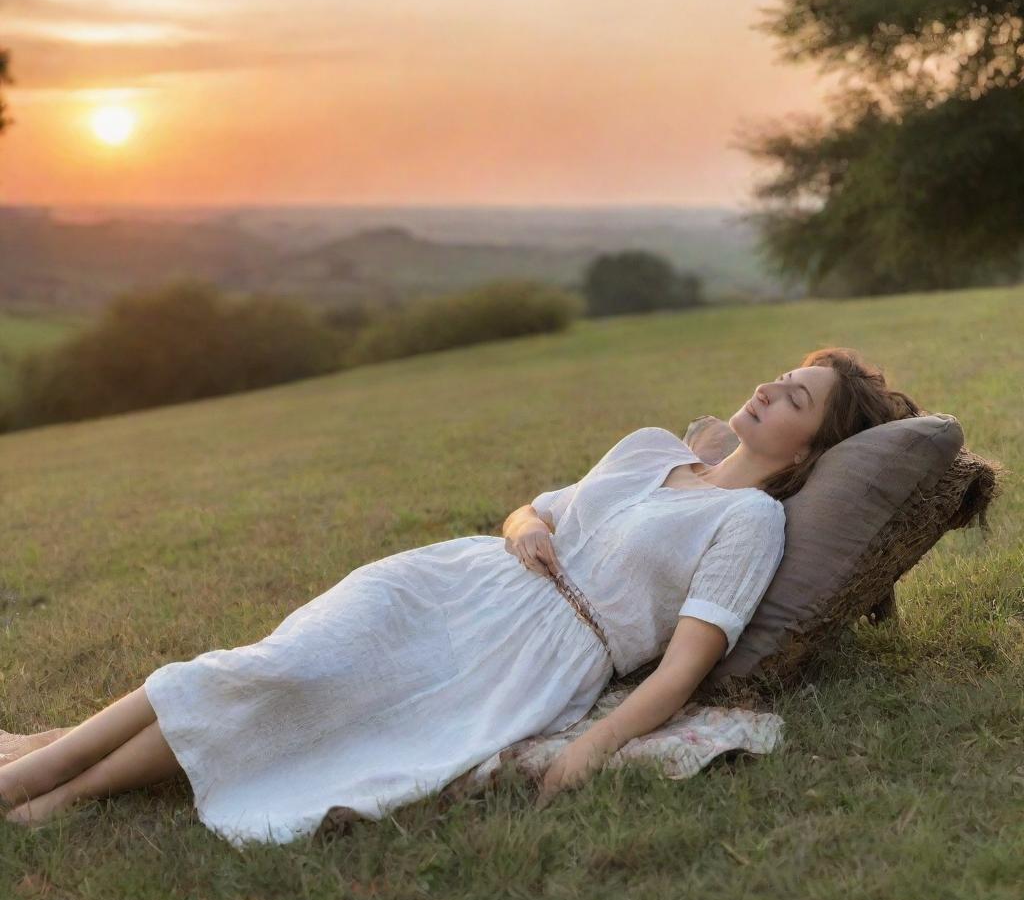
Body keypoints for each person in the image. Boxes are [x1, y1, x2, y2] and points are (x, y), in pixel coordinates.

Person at [0, 346, 921, 847]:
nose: (769, 386)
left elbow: (684, 667)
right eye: (782, 373)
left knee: (287, 688)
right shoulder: (649, 447)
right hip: (458, 578)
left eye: (796, 395)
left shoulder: (749, 525)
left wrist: (590, 750)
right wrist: (526, 529)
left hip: (534, 654)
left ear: (806, 450)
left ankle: (54, 786)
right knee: (279, 666)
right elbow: (534, 510)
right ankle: (41, 777)